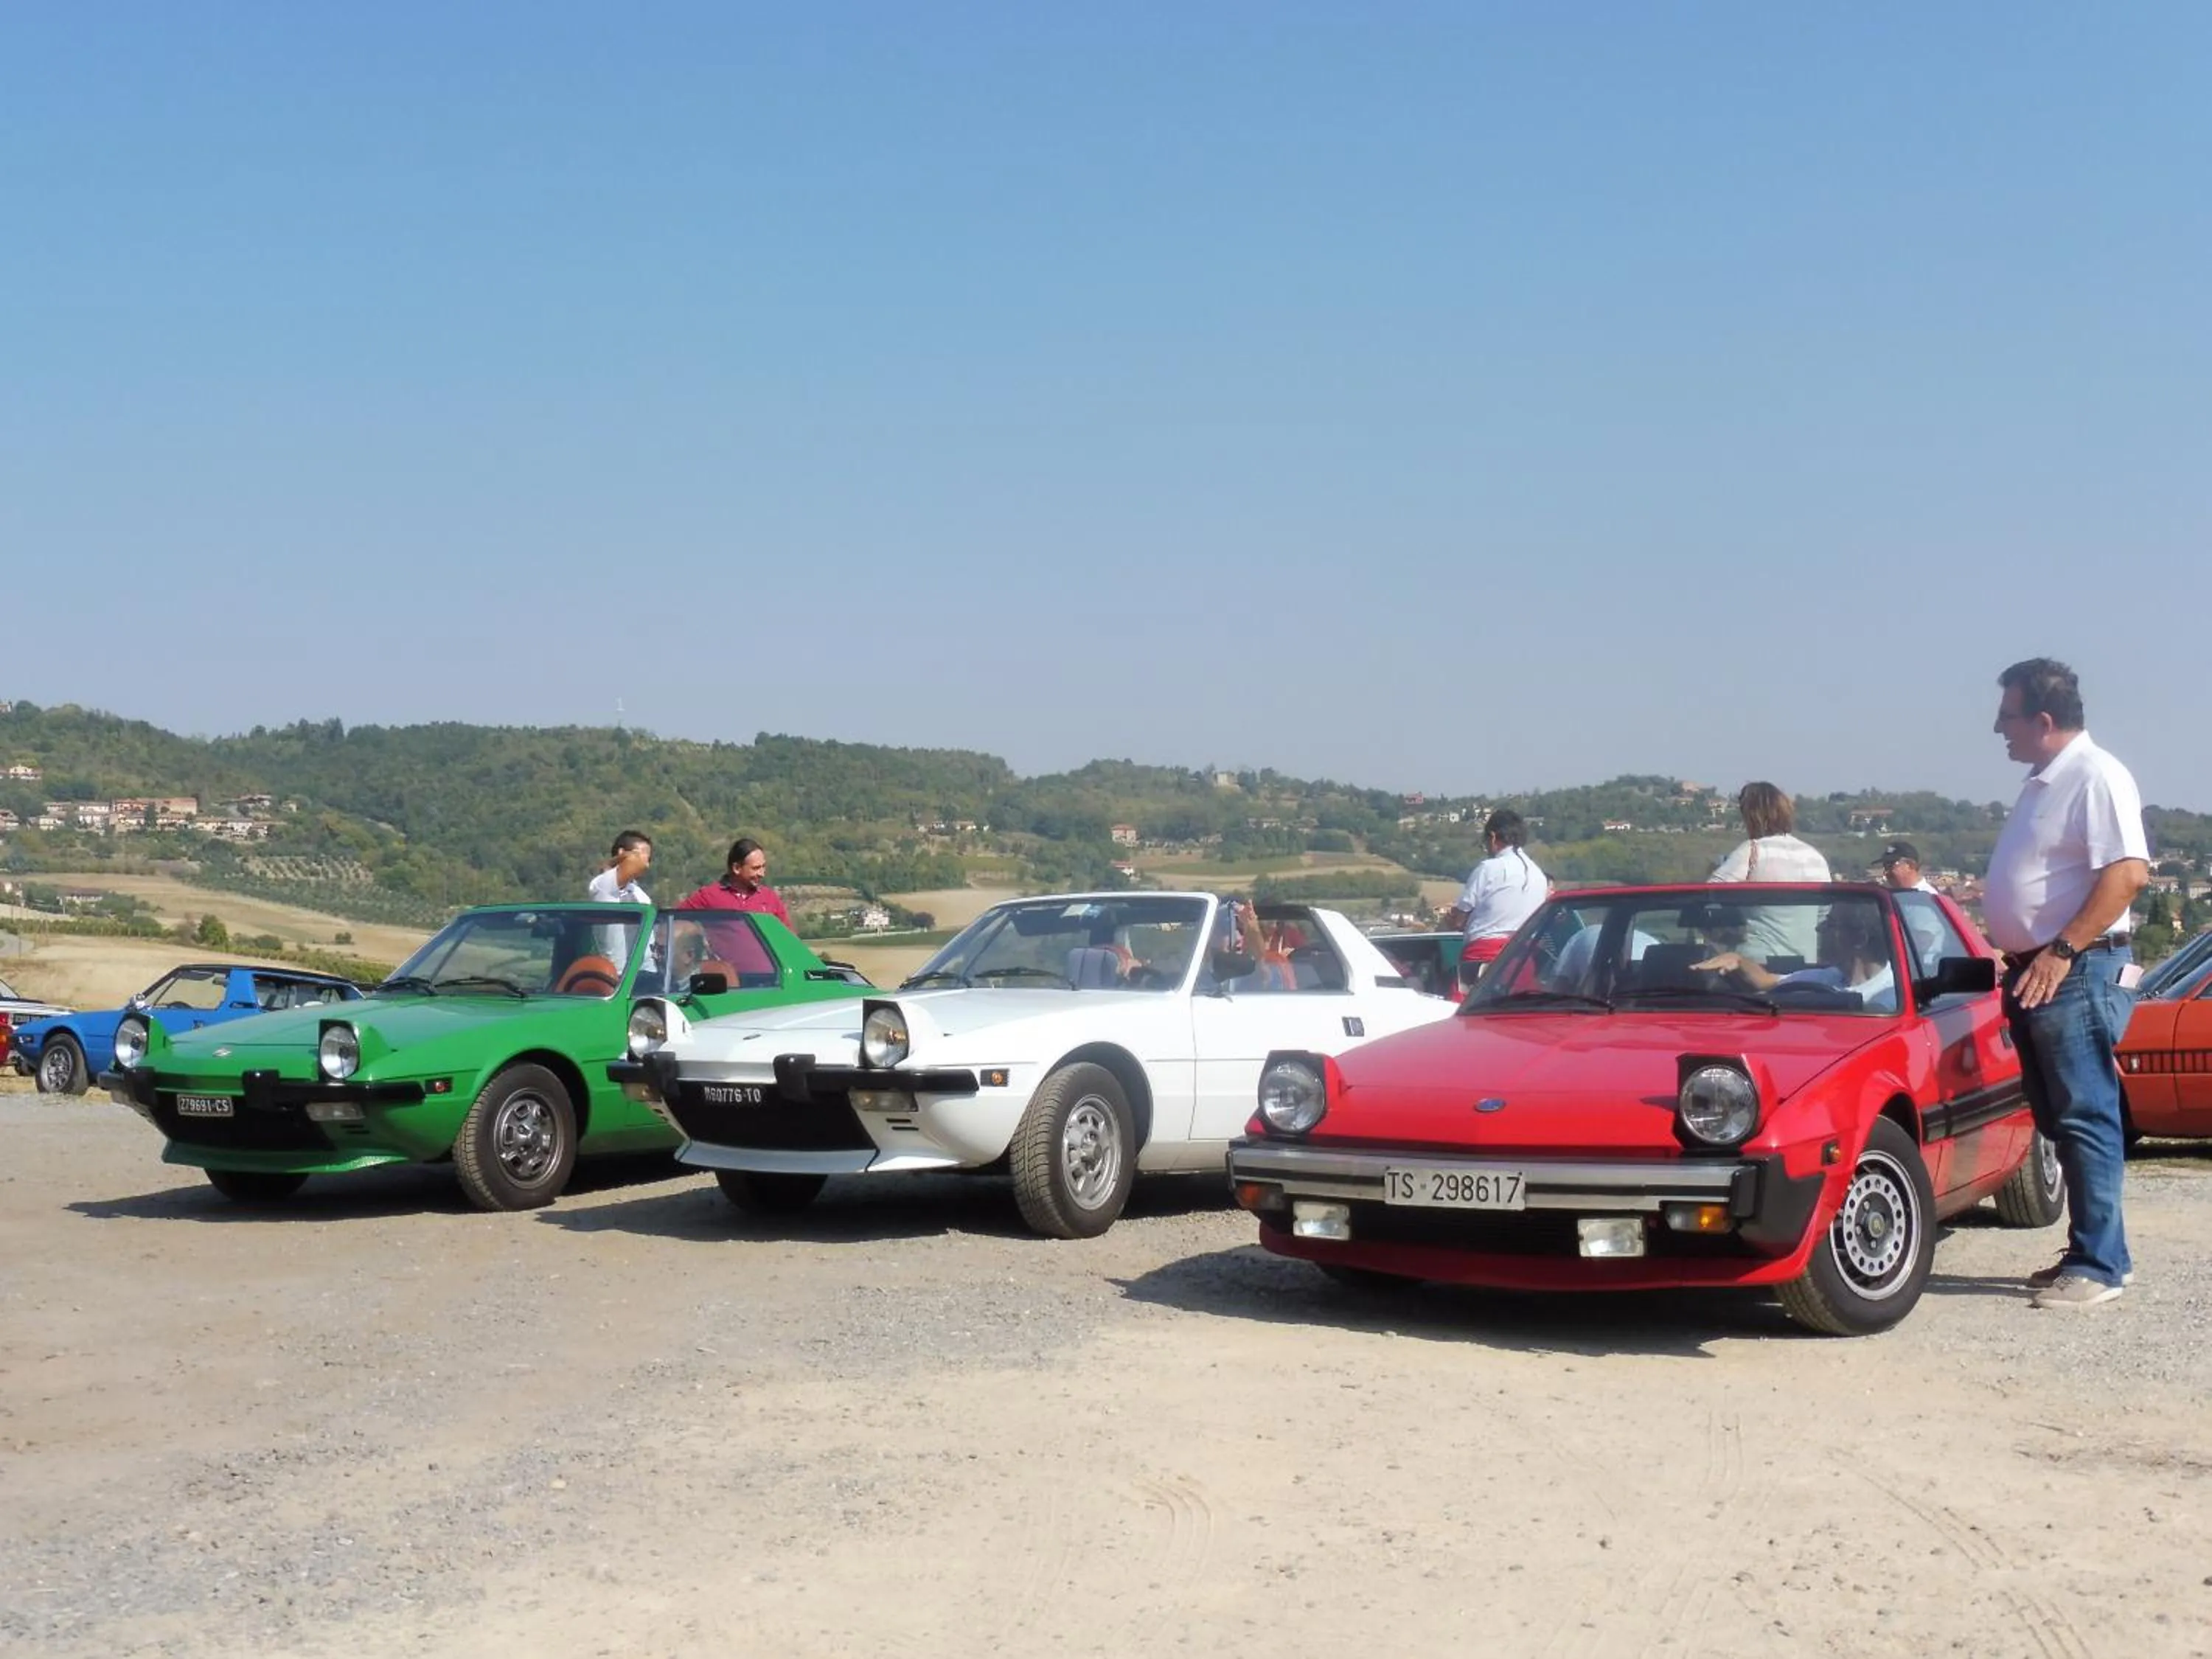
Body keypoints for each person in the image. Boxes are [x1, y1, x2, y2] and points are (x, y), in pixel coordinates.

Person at [1983, 657, 2149, 1310]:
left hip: (2073, 972)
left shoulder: (2095, 776)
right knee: (2062, 1116)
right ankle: (2098, 1252)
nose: (1999, 727)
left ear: (2044, 720)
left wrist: (2058, 950)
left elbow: (2128, 873)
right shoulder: (2046, 782)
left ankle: (2100, 1265)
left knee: (2085, 1116)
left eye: (2008, 715)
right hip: (2043, 973)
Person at [1708, 782, 1831, 964]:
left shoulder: (1752, 851)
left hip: (1756, 964)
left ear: (1751, 816)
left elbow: (1709, 894)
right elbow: (1824, 913)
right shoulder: (1814, 857)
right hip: (1805, 965)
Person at [1694, 902, 1898, 1012]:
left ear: (1859, 938)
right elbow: (1768, 982)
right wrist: (1737, 960)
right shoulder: (1829, 977)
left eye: (1831, 924)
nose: (1819, 928)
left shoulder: (1889, 996)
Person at [1444, 810, 1548, 977]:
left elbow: (1459, 921)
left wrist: (1451, 919)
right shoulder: (1539, 876)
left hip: (1483, 957)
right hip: (1523, 959)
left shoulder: (1489, 868)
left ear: (1492, 837)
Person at [679, 836, 793, 928]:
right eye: (756, 868)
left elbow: (789, 939)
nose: (762, 873)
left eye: (763, 867)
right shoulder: (709, 896)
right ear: (737, 868)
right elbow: (675, 920)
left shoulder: (769, 898)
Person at [586, 830, 654, 973]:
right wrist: (614, 862)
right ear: (623, 853)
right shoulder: (604, 884)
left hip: (646, 972)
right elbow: (633, 866)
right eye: (641, 853)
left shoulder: (639, 893)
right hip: (616, 975)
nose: (647, 863)